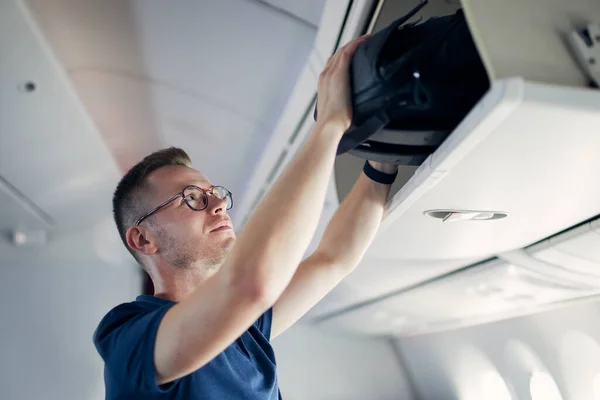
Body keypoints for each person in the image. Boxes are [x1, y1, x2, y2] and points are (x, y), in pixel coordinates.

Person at [93, 34, 399, 399]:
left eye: (214, 194)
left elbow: (333, 259)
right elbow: (251, 284)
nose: (218, 205)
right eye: (191, 198)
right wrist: (329, 125)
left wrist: (384, 160)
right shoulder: (128, 339)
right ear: (143, 238)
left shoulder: (245, 328)